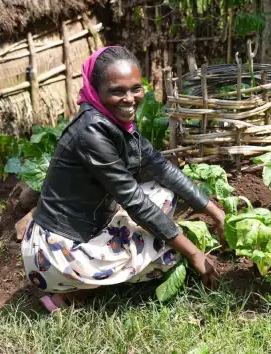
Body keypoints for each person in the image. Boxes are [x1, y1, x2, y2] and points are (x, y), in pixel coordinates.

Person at [20, 46, 226, 312]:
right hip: (56, 252)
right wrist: (194, 253)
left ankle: (84, 284)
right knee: (166, 251)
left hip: (88, 227)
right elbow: (134, 201)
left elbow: (160, 167)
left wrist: (216, 212)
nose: (129, 99)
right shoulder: (91, 132)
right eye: (117, 91)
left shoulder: (116, 122)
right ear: (96, 91)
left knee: (163, 195)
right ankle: (72, 291)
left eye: (136, 88)